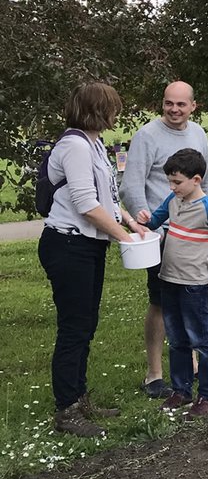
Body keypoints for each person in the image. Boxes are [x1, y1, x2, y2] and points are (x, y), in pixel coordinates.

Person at [41, 83, 148, 437]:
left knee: (86, 325)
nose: (116, 114)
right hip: (68, 245)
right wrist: (125, 239)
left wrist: (132, 224)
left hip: (88, 246)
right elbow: (86, 205)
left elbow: (108, 198)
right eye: (112, 108)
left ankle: (79, 396)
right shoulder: (73, 145)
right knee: (74, 328)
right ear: (97, 110)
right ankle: (66, 410)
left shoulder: (95, 144)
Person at [121, 80, 208, 399]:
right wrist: (147, 227)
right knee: (162, 303)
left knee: (194, 301)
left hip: (197, 237)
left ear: (194, 106)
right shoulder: (147, 136)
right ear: (162, 104)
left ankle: (191, 366)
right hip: (163, 237)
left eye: (181, 104)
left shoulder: (198, 134)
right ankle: (154, 375)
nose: (174, 110)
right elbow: (131, 187)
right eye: (168, 103)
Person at [136, 148, 208, 420]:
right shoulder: (172, 199)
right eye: (170, 181)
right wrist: (145, 221)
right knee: (177, 339)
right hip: (168, 280)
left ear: (197, 179)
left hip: (194, 285)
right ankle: (181, 390)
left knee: (201, 340)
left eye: (177, 182)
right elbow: (156, 220)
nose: (172, 187)